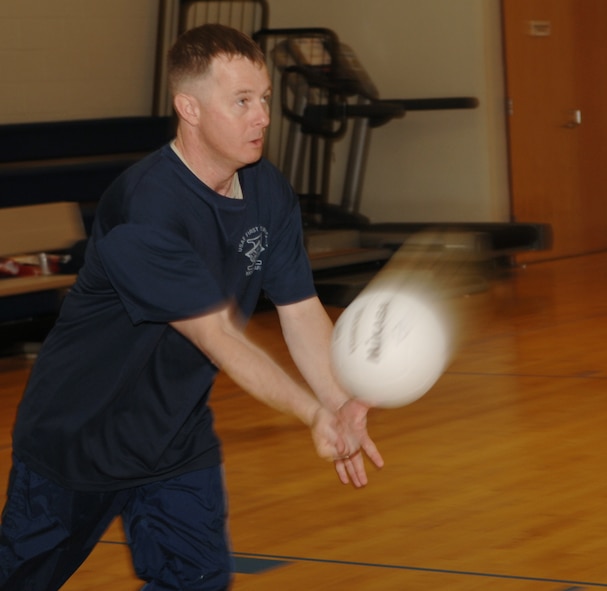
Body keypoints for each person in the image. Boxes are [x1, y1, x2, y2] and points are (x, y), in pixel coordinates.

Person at [0, 23, 384, 591]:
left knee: (196, 584)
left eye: (265, 100)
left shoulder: (267, 191)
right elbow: (218, 338)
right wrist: (311, 414)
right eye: (242, 101)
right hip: (78, 440)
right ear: (190, 108)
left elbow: (300, 310)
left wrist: (341, 401)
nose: (262, 117)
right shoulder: (147, 207)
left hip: (175, 439)